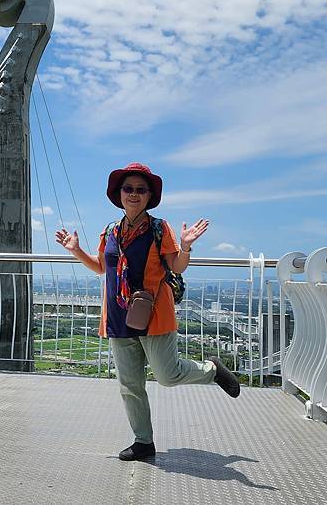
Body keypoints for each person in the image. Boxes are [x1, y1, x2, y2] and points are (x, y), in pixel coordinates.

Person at [55, 162, 240, 462]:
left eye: (141, 190)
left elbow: (176, 266)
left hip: (155, 315)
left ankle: (212, 370)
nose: (134, 194)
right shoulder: (110, 231)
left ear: (149, 196)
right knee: (130, 386)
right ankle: (143, 442)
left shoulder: (158, 229)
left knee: (168, 375)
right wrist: (76, 250)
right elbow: (101, 266)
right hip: (118, 316)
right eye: (128, 188)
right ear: (119, 194)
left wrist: (185, 247)